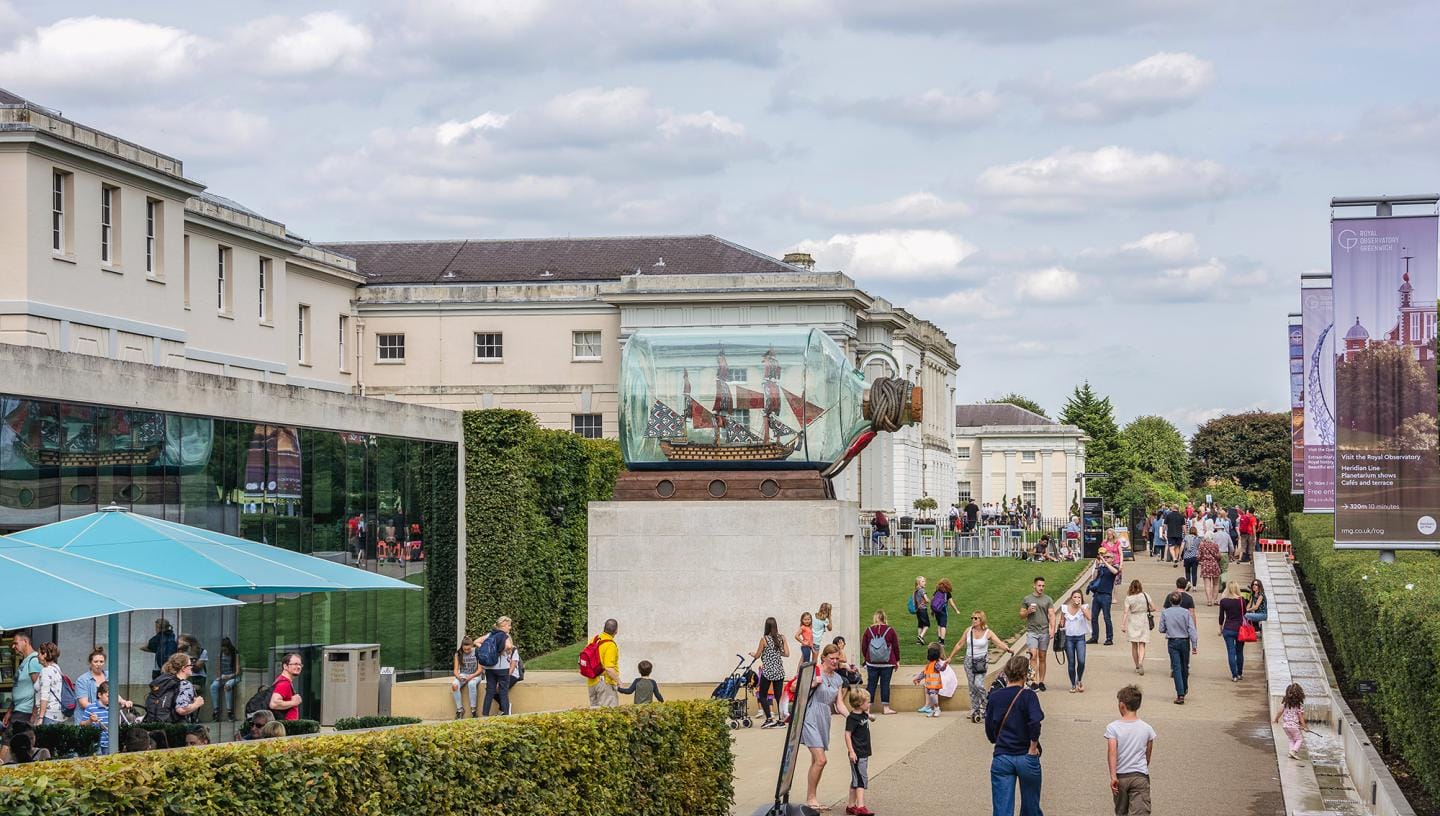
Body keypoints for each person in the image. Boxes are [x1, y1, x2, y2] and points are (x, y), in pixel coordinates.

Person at [985, 655, 1044, 816]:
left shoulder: (995, 697)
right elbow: (1035, 722)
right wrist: (1033, 746)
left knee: (1002, 809)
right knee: (1031, 807)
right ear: (1025, 675)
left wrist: (997, 739)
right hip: (1026, 754)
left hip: (1003, 754)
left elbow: (989, 729)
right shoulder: (1028, 696)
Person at [801, 644, 850, 813]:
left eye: (837, 658)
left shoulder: (838, 679)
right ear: (824, 658)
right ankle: (810, 798)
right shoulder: (815, 672)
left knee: (816, 761)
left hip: (824, 717)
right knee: (821, 760)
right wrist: (813, 683)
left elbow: (839, 704)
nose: (835, 661)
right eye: (832, 658)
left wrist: (852, 718)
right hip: (810, 715)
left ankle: (812, 797)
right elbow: (798, 689)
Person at [947, 610, 1012, 723]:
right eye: (972, 618)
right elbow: (959, 644)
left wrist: (1007, 649)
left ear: (981, 620)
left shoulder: (988, 632)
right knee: (972, 687)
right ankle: (975, 709)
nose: (973, 620)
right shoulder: (968, 631)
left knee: (979, 685)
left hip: (981, 662)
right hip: (969, 661)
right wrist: (950, 657)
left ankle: (988, 707)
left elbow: (998, 643)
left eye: (976, 618)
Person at [1105, 684, 1157, 815]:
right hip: (1139, 776)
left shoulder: (1113, 727)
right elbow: (1148, 756)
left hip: (1121, 777)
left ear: (1122, 705)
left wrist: (1113, 776)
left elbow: (1112, 752)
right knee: (1140, 811)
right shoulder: (1147, 729)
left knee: (1121, 811)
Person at [1158, 590, 1199, 704]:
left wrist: (1168, 628)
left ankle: (1180, 693)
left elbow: (1161, 628)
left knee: (1176, 667)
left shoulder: (1165, 613)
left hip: (1172, 640)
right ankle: (1184, 687)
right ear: (1180, 601)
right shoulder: (1186, 613)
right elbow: (1191, 629)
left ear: (1170, 601)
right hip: (1184, 640)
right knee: (1184, 666)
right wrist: (1194, 644)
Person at [73, 646, 132, 726]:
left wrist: (123, 702)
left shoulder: (109, 675)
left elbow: (113, 694)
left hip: (105, 719)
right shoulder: (82, 680)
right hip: (87, 721)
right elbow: (84, 703)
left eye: (101, 662)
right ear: (90, 662)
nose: (99, 664)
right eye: (96, 661)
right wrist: (102, 709)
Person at [751, 616, 790, 728]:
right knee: (779, 697)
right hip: (779, 671)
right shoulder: (781, 638)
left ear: (766, 626)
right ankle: (781, 721)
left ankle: (769, 719)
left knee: (762, 695)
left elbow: (758, 655)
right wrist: (776, 653)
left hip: (768, 671)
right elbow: (787, 653)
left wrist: (753, 654)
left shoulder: (764, 639)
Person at [861, 610, 900, 715]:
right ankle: (886, 708)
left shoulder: (868, 630)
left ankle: (867, 708)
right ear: (884, 618)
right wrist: (897, 660)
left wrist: (867, 657)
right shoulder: (890, 630)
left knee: (871, 685)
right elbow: (896, 646)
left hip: (872, 663)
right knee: (885, 684)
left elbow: (864, 646)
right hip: (887, 663)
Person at [844, 687, 875, 816]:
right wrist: (851, 751)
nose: (869, 704)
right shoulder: (852, 718)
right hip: (857, 753)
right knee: (861, 779)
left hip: (864, 751)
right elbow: (847, 734)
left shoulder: (863, 714)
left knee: (855, 779)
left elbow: (872, 718)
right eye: (867, 702)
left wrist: (870, 715)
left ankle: (851, 805)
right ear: (859, 703)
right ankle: (861, 806)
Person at [1019, 576, 1054, 691]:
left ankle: (1041, 681)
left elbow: (1051, 614)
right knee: (1033, 656)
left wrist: (1052, 628)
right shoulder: (1027, 599)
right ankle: (1033, 681)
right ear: (1034, 585)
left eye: (1043, 586)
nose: (1041, 588)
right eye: (1039, 585)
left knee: (1042, 657)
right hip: (1032, 631)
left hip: (1044, 631)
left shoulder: (1048, 599)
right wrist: (1028, 611)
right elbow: (1021, 615)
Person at [480, 617, 517, 717]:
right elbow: (509, 646)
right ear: (504, 625)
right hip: (502, 668)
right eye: (509, 625)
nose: (510, 627)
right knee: (503, 692)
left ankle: (485, 715)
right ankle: (505, 714)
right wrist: (499, 651)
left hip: (489, 668)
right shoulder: (504, 635)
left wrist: (489, 651)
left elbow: (476, 642)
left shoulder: (490, 634)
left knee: (490, 692)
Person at [3, 632, 39, 727]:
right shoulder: (25, 661)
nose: (13, 647)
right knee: (9, 740)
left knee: (9, 741)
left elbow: (39, 689)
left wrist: (34, 714)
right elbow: (18, 688)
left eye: (16, 643)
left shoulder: (34, 661)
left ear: (25, 641)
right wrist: (10, 711)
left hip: (26, 712)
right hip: (19, 711)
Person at [1058, 589, 1091, 692]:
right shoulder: (1065, 608)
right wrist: (1061, 626)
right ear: (1071, 598)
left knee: (1081, 661)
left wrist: (1081, 607)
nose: (1077, 599)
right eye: (1075, 597)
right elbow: (1062, 621)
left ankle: (1079, 680)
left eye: (1079, 597)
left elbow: (1090, 618)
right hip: (1069, 638)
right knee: (1071, 662)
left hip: (1080, 638)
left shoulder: (1084, 607)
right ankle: (1073, 684)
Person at [1120, 580, 1154, 676]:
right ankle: (1141, 662)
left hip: (1133, 620)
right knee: (1142, 644)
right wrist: (1145, 609)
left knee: (1134, 645)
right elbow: (1153, 608)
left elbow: (1126, 612)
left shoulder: (1129, 598)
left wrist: (1123, 624)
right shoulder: (1145, 595)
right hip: (1143, 620)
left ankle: (1137, 666)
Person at [586, 619, 621, 708]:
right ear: (616, 630)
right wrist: (618, 680)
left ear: (604, 628)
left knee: (595, 715)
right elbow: (609, 668)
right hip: (605, 684)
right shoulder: (610, 645)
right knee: (609, 713)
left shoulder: (594, 639)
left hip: (591, 682)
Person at [1089, 550, 1120, 646]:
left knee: (1107, 617)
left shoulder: (1114, 567)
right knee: (1094, 617)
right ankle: (1094, 637)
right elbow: (1094, 578)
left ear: (1112, 559)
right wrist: (1097, 567)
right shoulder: (1101, 568)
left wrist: (1105, 562)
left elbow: (1115, 572)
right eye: (1104, 557)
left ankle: (1109, 638)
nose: (1105, 558)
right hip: (1097, 594)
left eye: (1107, 557)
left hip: (1106, 595)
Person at [1218, 582, 1247, 682]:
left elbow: (1221, 616)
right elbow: (1245, 613)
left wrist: (1220, 628)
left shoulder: (1224, 601)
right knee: (1239, 651)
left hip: (1228, 628)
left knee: (1231, 652)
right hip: (1239, 629)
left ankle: (1234, 675)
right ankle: (1239, 673)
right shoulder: (1241, 600)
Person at [209, 638, 241, 722]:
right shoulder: (219, 655)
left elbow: (237, 671)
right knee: (213, 686)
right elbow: (218, 669)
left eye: (226, 650)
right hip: (223, 677)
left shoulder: (235, 654)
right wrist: (220, 676)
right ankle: (216, 711)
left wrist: (230, 676)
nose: (224, 652)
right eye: (223, 650)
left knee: (228, 686)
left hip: (233, 676)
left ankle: (230, 712)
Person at [451, 636, 482, 719]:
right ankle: (460, 710)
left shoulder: (477, 652)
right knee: (454, 685)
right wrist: (459, 677)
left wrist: (471, 676)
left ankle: (473, 710)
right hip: (463, 675)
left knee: (471, 684)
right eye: (465, 649)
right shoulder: (458, 654)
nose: (467, 651)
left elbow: (480, 670)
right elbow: (455, 670)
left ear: (472, 645)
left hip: (475, 674)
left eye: (469, 649)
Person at [1273, 682, 1307, 759]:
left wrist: (1276, 719)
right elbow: (1301, 717)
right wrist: (1304, 726)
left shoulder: (1285, 703)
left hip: (1285, 726)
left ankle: (1290, 752)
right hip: (1294, 726)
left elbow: (1280, 711)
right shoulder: (1299, 705)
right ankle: (1294, 751)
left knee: (1291, 739)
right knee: (1299, 739)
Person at [34, 641, 64, 724]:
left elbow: (45, 695)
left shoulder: (46, 671)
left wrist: (40, 717)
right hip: (58, 713)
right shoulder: (56, 668)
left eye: (39, 653)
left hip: (49, 714)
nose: (37, 656)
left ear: (45, 655)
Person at [78, 681, 112, 755]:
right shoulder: (91, 707)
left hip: (110, 743)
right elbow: (82, 724)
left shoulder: (113, 707)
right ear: (99, 694)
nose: (111, 699)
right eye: (108, 696)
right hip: (96, 744)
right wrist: (90, 720)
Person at [912, 643, 946, 717]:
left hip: (935, 685)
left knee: (933, 696)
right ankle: (933, 709)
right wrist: (917, 678)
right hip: (929, 685)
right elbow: (924, 673)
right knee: (932, 697)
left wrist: (945, 665)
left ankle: (937, 708)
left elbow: (941, 669)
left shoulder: (935, 664)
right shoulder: (929, 665)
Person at [269, 652, 303, 721]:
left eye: (300, 664)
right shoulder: (284, 683)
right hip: (286, 727)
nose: (299, 667)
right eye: (295, 664)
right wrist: (294, 702)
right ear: (285, 666)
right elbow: (274, 704)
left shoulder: (284, 681)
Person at [172, 652, 206, 721]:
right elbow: (181, 710)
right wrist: (197, 703)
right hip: (177, 726)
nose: (192, 666)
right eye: (190, 665)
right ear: (183, 668)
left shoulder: (167, 680)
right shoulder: (185, 684)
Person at [932, 578, 961, 648]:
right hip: (943, 611)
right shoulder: (947, 593)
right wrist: (956, 610)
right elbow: (951, 603)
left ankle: (939, 639)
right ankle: (942, 641)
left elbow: (933, 600)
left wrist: (933, 610)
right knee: (943, 626)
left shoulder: (937, 591)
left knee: (939, 624)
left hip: (936, 610)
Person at [179, 634, 209, 698]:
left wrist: (189, 659)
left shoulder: (202, 651)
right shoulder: (182, 652)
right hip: (186, 677)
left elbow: (197, 668)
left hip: (198, 678)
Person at [1197, 533, 1222, 606]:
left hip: (1205, 566)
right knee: (1216, 584)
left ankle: (1209, 601)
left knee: (1207, 585)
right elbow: (1219, 556)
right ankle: (1215, 600)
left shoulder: (1202, 545)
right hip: (1214, 565)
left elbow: (1198, 556)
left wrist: (1202, 559)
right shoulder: (1215, 545)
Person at [1181, 524, 1201, 591]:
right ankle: (1194, 587)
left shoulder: (1186, 537)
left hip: (1186, 556)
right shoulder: (1198, 539)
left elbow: (1182, 546)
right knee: (1194, 572)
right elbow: (1200, 548)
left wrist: (1179, 555)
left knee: (1187, 571)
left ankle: (1188, 582)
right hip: (1194, 556)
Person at [912, 576, 930, 645]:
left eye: (924, 581)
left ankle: (918, 641)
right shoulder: (922, 590)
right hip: (923, 609)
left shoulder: (915, 591)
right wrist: (928, 601)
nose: (925, 582)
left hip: (917, 610)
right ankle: (921, 636)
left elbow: (914, 600)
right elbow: (926, 599)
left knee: (920, 625)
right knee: (927, 625)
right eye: (923, 581)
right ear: (918, 583)